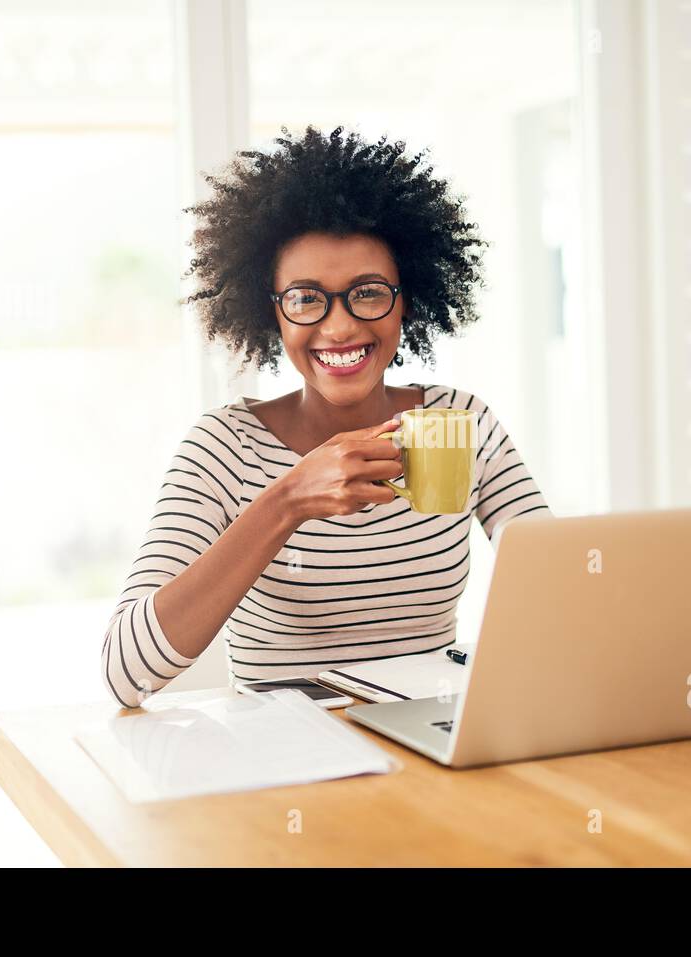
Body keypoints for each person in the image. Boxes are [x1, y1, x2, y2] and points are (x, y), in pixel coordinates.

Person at [100, 125, 552, 708]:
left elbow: (564, 591)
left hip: (437, 753)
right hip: (287, 762)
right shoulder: (224, 447)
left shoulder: (459, 420)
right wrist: (286, 500)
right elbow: (126, 674)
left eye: (366, 292)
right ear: (274, 314)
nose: (338, 327)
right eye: (307, 298)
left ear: (405, 300)